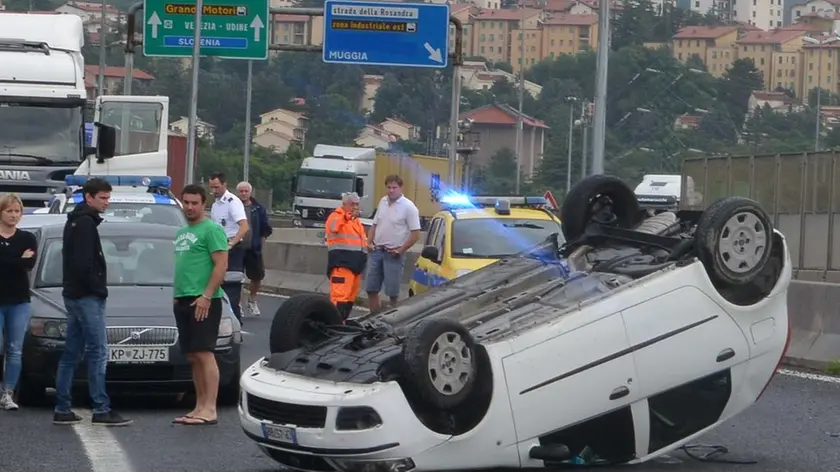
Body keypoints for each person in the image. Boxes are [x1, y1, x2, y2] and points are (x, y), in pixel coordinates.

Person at [54, 177, 131, 426]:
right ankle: (101, 408)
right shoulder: (85, 223)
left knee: (71, 353)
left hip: (73, 294)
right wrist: (98, 289)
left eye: (108, 198)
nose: (107, 203)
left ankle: (62, 407)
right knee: (98, 352)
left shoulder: (75, 220)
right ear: (89, 197)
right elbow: (84, 264)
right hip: (86, 297)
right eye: (103, 198)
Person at [172, 184, 229, 426]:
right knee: (193, 356)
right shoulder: (181, 232)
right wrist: (177, 295)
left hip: (204, 300)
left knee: (205, 354)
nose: (190, 207)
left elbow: (221, 265)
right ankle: (198, 406)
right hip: (183, 298)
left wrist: (206, 295)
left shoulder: (212, 230)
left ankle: (210, 408)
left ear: (203, 204)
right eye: (186, 202)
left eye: (195, 203)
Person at [0, 193, 38, 411]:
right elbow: (15, 263)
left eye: (17, 211)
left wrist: (10, 262)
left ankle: (8, 392)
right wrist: (16, 260)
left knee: (15, 348)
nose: (14, 215)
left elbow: (29, 264)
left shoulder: (27, 238)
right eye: (9, 211)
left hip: (19, 300)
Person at [365, 175, 421, 313]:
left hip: (393, 253)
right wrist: (368, 242)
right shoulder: (382, 201)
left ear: (400, 188)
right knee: (371, 288)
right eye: (388, 187)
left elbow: (415, 234)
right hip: (377, 250)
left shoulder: (409, 207)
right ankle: (374, 317)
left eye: (394, 188)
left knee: (392, 292)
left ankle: (393, 318)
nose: (391, 190)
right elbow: (374, 225)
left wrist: (400, 250)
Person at [208, 172, 248, 324]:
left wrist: (231, 244)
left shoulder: (232, 202)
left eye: (217, 187)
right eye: (211, 187)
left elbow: (244, 226)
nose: (214, 191)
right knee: (218, 287)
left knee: (231, 288)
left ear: (224, 185)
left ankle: (235, 324)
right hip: (218, 249)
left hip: (232, 250)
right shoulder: (216, 205)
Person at [324, 192, 368, 321]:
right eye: (352, 204)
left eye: (357, 204)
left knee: (349, 299)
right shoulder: (336, 216)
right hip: (341, 264)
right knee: (339, 298)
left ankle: (341, 322)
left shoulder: (356, 222)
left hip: (355, 266)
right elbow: (334, 227)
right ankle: (333, 325)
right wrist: (347, 216)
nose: (355, 207)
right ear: (344, 204)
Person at [236, 181, 273, 317]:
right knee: (237, 277)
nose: (244, 194)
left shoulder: (258, 208)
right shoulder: (233, 207)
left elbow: (265, 229)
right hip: (237, 247)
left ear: (250, 192)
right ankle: (237, 304)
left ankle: (252, 300)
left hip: (254, 248)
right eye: (241, 191)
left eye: (246, 191)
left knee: (257, 276)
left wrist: (261, 245)